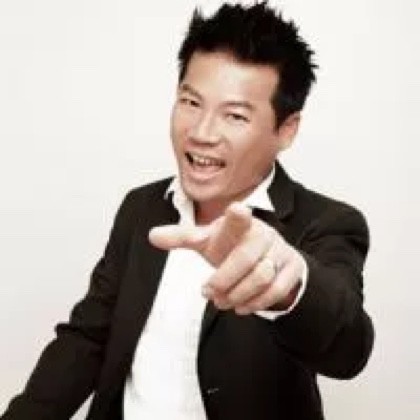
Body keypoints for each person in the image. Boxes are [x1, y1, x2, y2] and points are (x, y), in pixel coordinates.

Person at [1, 2, 374, 419]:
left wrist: (289, 288)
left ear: (286, 130)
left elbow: (349, 349)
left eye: (235, 115)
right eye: (191, 102)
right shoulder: (142, 208)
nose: (201, 132)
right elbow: (88, 338)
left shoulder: (327, 223)